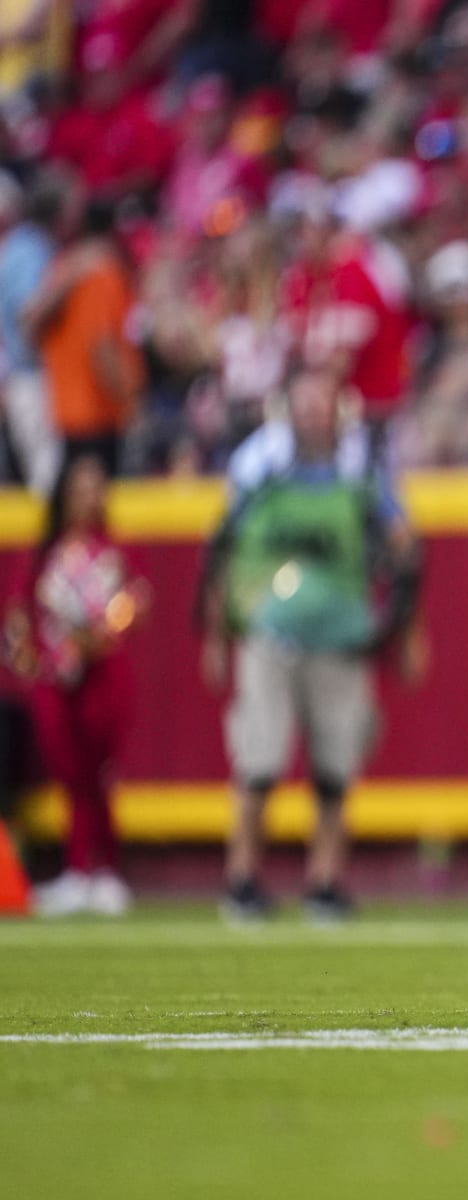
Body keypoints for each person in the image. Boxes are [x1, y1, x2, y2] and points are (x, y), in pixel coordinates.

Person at [200, 368, 426, 923]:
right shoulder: (261, 465)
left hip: (341, 636)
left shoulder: (360, 468)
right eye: (304, 403)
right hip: (269, 634)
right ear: (286, 409)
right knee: (258, 761)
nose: (313, 414)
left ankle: (325, 881)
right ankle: (242, 877)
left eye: (322, 403)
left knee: (334, 768)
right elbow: (221, 548)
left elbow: (403, 547)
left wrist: (408, 627)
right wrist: (216, 632)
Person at [4, 453, 146, 917]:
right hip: (56, 679)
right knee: (70, 773)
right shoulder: (46, 554)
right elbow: (21, 614)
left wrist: (98, 638)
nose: (90, 497)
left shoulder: (113, 550)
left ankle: (101, 870)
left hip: (103, 678)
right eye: (81, 488)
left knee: (98, 773)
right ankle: (78, 869)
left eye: (96, 487)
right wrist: (30, 655)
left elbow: (130, 609)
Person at [23, 200, 142, 477]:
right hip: (99, 411)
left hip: (66, 409)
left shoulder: (61, 268)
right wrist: (131, 404)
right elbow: (102, 346)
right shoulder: (103, 274)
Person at [0, 171, 60, 494]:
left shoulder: (19, 248)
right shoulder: (25, 249)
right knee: (46, 479)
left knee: (44, 475)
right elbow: (28, 318)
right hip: (31, 378)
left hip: (29, 376)